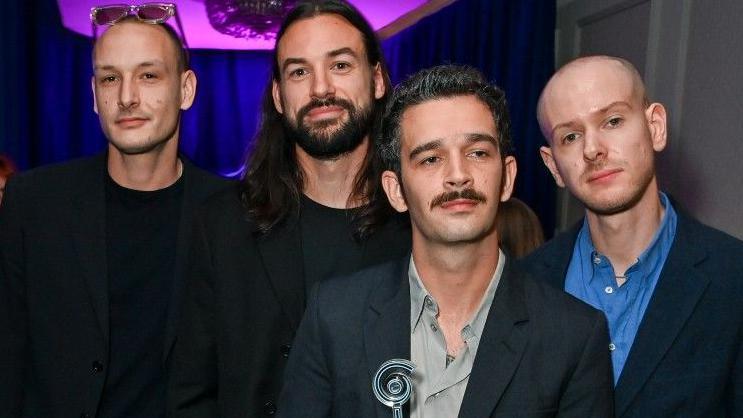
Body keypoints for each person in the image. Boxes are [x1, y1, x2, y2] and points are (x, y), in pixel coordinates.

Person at [278, 65, 614, 418]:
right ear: (395, 191)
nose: (457, 175)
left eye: (477, 153)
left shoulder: (572, 335)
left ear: (507, 177)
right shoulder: (334, 315)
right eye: (431, 159)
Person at [168, 1, 411, 416]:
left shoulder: (418, 226)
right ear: (279, 96)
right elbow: (190, 393)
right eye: (299, 72)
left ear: (377, 79)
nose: (320, 89)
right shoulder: (223, 225)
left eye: (340, 65)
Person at [0, 7, 229, 418]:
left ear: (186, 89)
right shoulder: (34, 204)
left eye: (148, 75)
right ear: (94, 96)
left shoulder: (233, 213)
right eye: (110, 78)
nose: (126, 97)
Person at [522, 55, 743, 418]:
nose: (592, 149)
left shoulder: (733, 279)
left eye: (612, 121)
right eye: (571, 136)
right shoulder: (523, 285)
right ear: (553, 166)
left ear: (655, 126)